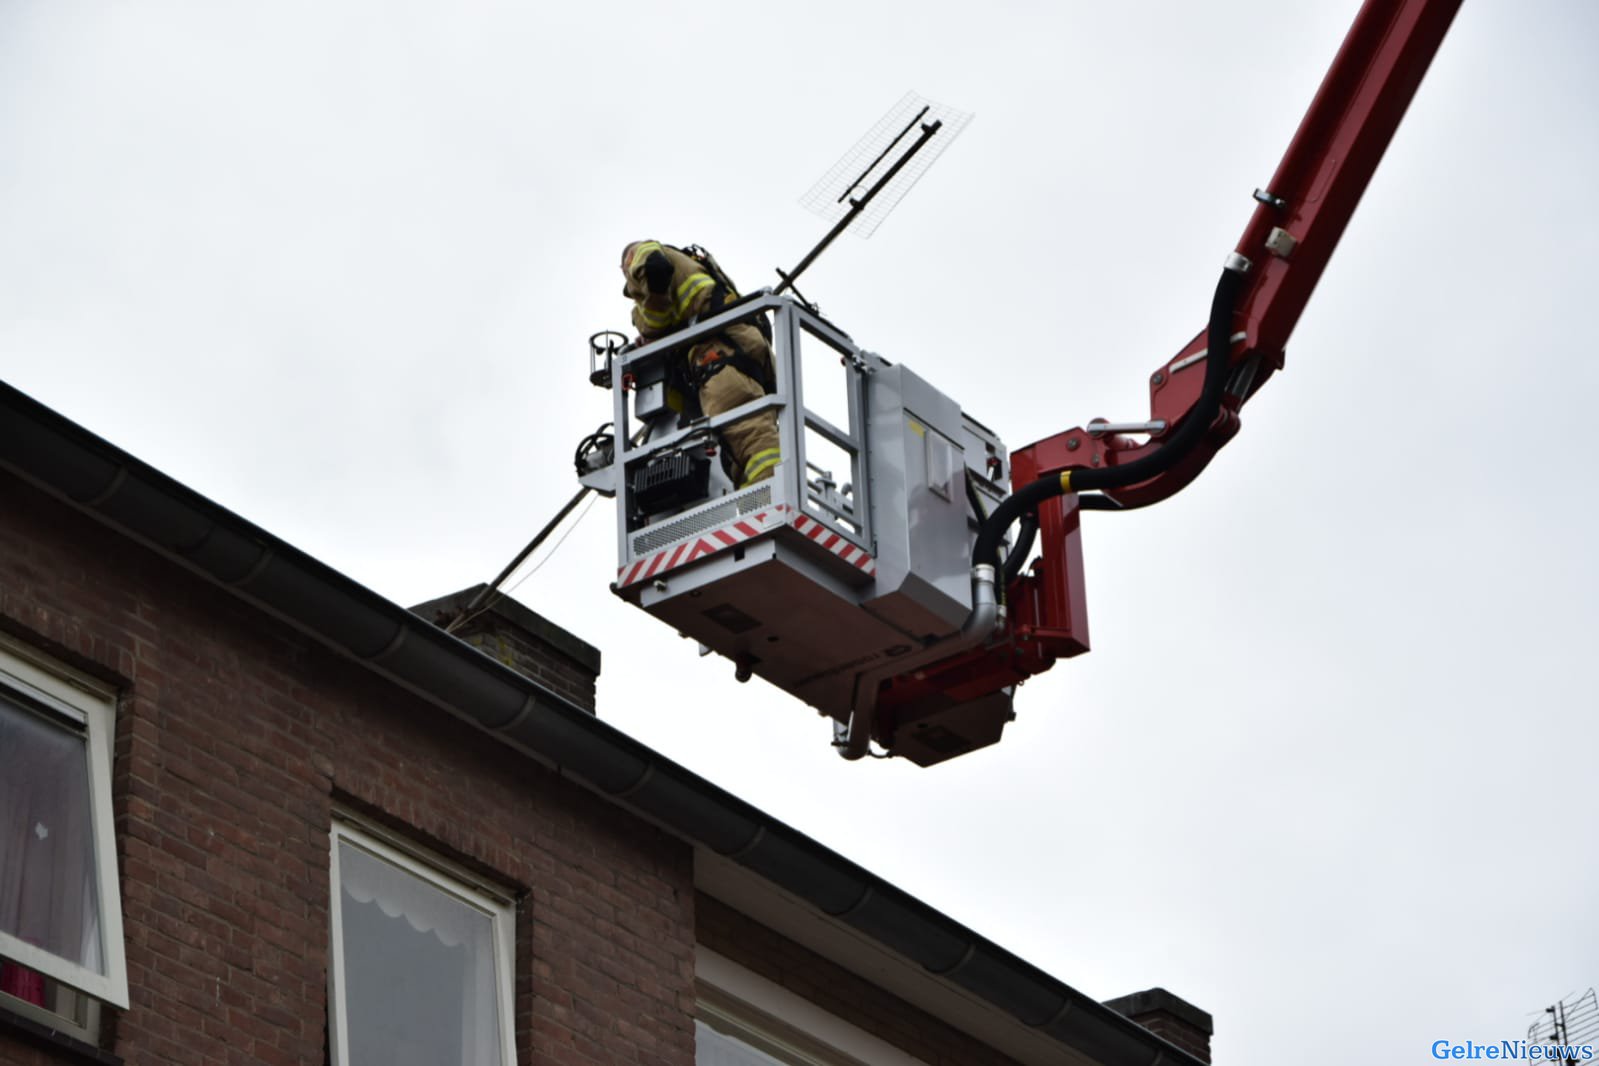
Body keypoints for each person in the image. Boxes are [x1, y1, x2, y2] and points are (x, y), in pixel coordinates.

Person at [619, 240, 781, 486]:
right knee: (737, 456)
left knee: (750, 436)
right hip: (742, 353)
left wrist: (651, 330)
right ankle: (759, 504)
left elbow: (655, 268)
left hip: (720, 357)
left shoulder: (641, 253)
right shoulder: (691, 267)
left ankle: (773, 498)